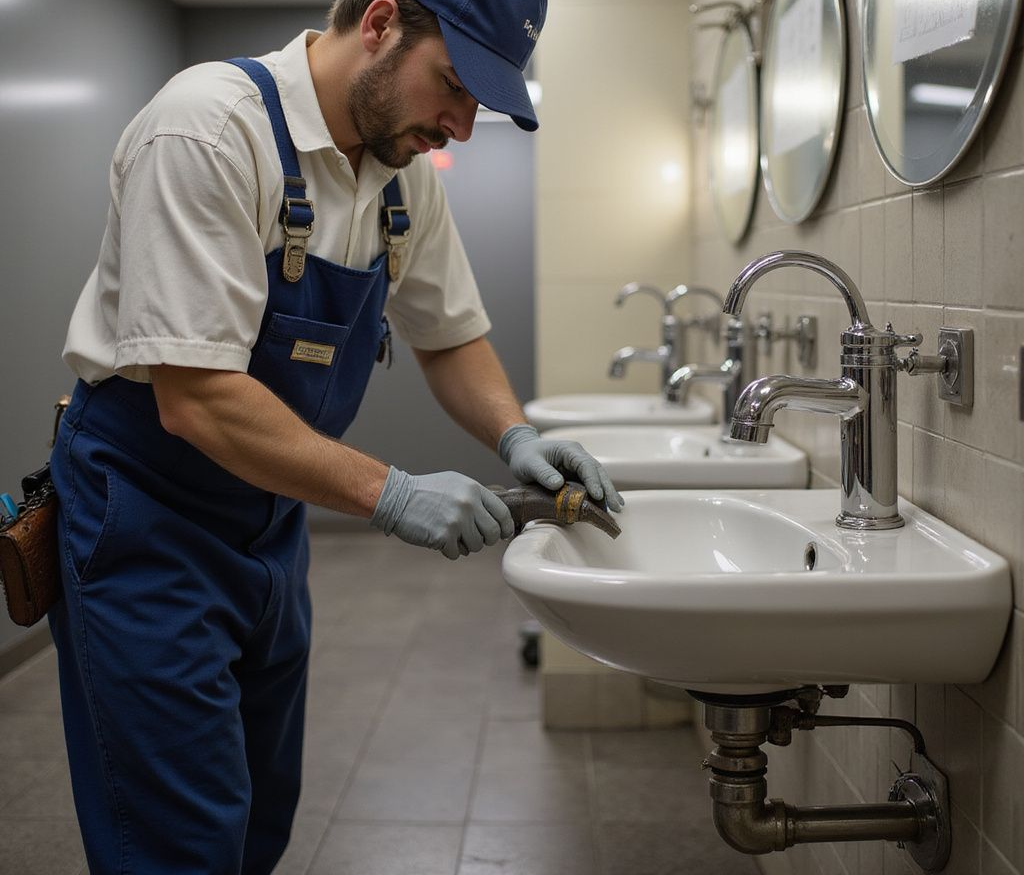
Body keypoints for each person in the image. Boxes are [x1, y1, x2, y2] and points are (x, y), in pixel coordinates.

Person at [49, 0, 622, 872]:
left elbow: (450, 333)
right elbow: (197, 400)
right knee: (181, 838)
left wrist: (515, 435)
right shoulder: (206, 129)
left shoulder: (400, 177)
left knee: (261, 812)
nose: (460, 127)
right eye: (458, 86)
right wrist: (390, 492)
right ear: (382, 22)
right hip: (147, 517)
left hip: (273, 525)